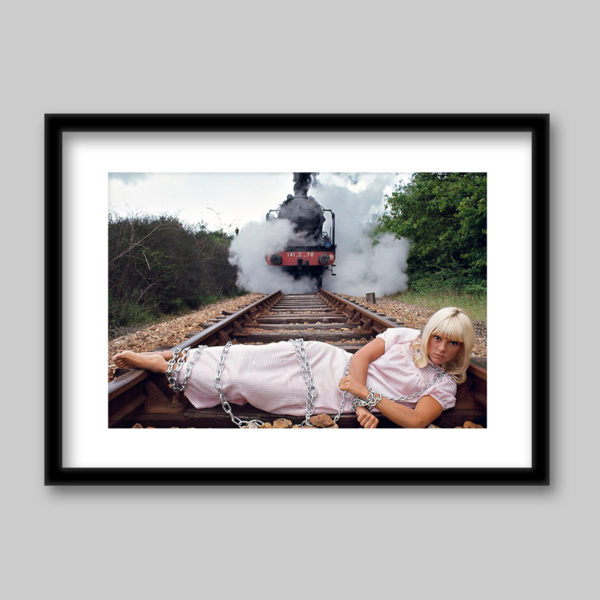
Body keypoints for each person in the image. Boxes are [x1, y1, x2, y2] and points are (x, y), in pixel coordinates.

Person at [112, 307, 475, 429]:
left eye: (453, 343)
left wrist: (366, 397)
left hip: (331, 394)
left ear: (463, 346)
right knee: (248, 357)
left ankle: (173, 370)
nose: (441, 349)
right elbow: (361, 358)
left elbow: (415, 421)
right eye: (437, 338)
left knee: (247, 383)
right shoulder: (405, 337)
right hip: (328, 360)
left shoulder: (445, 385)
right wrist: (362, 401)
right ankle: (171, 359)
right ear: (428, 333)